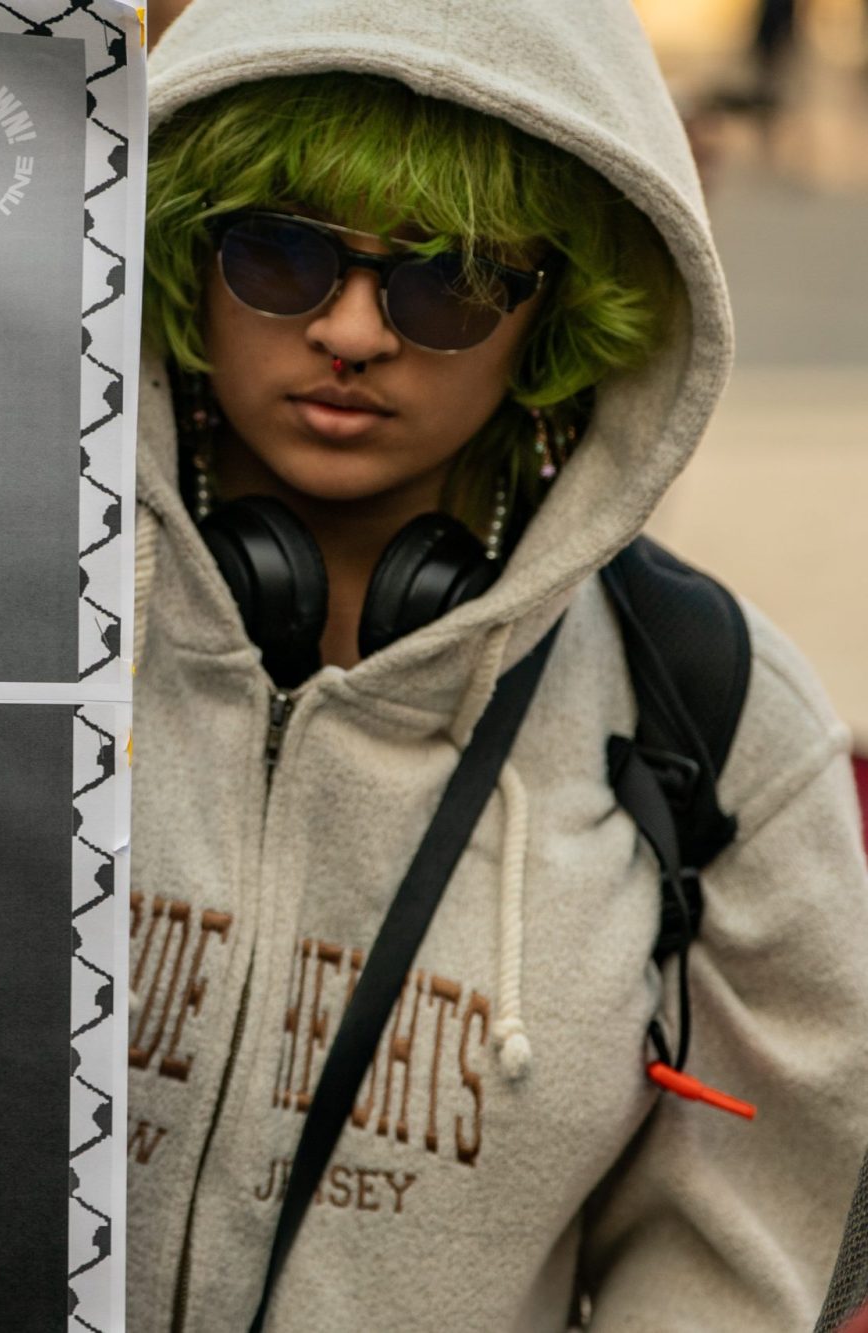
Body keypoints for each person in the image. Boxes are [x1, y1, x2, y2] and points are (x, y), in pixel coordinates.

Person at [126, 1, 868, 1327]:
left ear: (554, 313)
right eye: (279, 254)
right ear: (181, 252)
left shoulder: (718, 717)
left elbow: (754, 1255)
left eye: (450, 277)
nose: (352, 331)